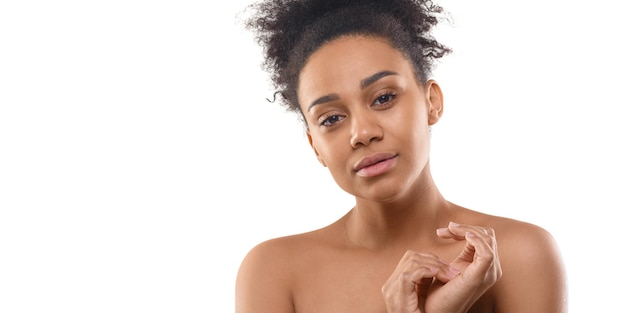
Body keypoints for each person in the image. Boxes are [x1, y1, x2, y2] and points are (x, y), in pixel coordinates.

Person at [235, 0, 568, 312]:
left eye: (383, 98)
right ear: (315, 146)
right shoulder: (273, 272)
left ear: (431, 102)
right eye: (331, 119)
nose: (362, 133)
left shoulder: (518, 255)